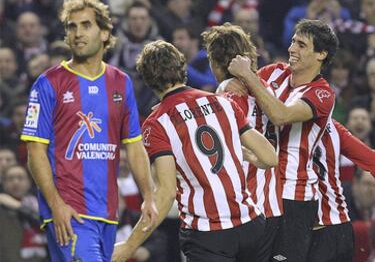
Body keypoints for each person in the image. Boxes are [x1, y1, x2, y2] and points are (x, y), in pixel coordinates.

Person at [20, 0, 157, 261]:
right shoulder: (48, 83)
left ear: (105, 33)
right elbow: (35, 152)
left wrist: (149, 196)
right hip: (69, 214)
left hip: (107, 215)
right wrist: (56, 205)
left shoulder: (121, 82)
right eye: (72, 27)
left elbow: (134, 144)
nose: (77, 33)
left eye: (86, 25)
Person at [111, 40, 278, 262]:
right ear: (183, 68)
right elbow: (270, 157)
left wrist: (128, 246)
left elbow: (166, 192)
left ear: (148, 80)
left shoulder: (157, 123)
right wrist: (245, 156)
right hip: (252, 225)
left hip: (208, 235)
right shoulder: (223, 103)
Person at [227, 19, 338, 261]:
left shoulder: (321, 93)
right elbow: (235, 97)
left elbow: (280, 115)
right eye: (292, 41)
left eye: (301, 45)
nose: (291, 49)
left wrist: (247, 74)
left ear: (321, 54)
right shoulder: (274, 72)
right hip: (259, 190)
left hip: (293, 195)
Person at [202, 22, 283, 261]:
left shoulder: (226, 91)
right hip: (271, 202)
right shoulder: (265, 88)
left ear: (215, 62)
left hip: (242, 207)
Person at [308, 119, 375, 261]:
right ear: (355, 182)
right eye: (366, 184)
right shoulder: (339, 198)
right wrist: (373, 230)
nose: (370, 190)